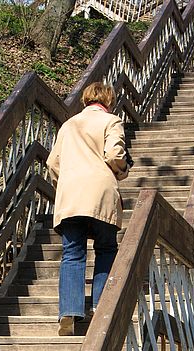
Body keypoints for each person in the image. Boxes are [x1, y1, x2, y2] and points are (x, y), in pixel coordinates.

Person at [46, 82, 130, 336]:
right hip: (100, 191)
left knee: (72, 253)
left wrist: (66, 183)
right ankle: (99, 307)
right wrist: (123, 170)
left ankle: (69, 313)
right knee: (105, 248)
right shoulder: (111, 121)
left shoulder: (69, 125)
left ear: (85, 100)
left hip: (71, 195)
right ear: (109, 100)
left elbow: (52, 163)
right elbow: (115, 154)